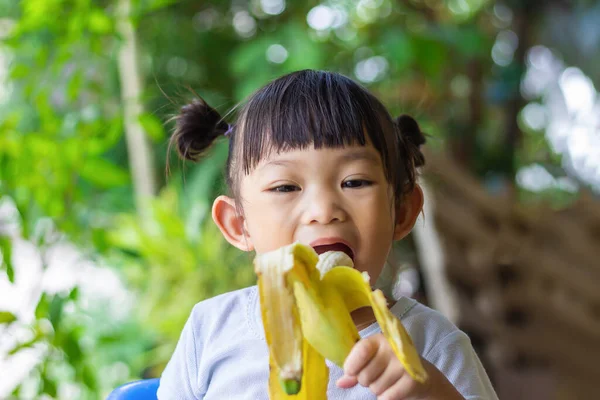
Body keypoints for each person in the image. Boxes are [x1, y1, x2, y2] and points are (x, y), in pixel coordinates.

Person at [157, 70, 498, 400]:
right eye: (285, 186)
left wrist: (430, 393)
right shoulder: (212, 329)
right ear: (238, 224)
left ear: (403, 212)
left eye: (354, 182)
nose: (323, 210)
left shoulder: (433, 345)